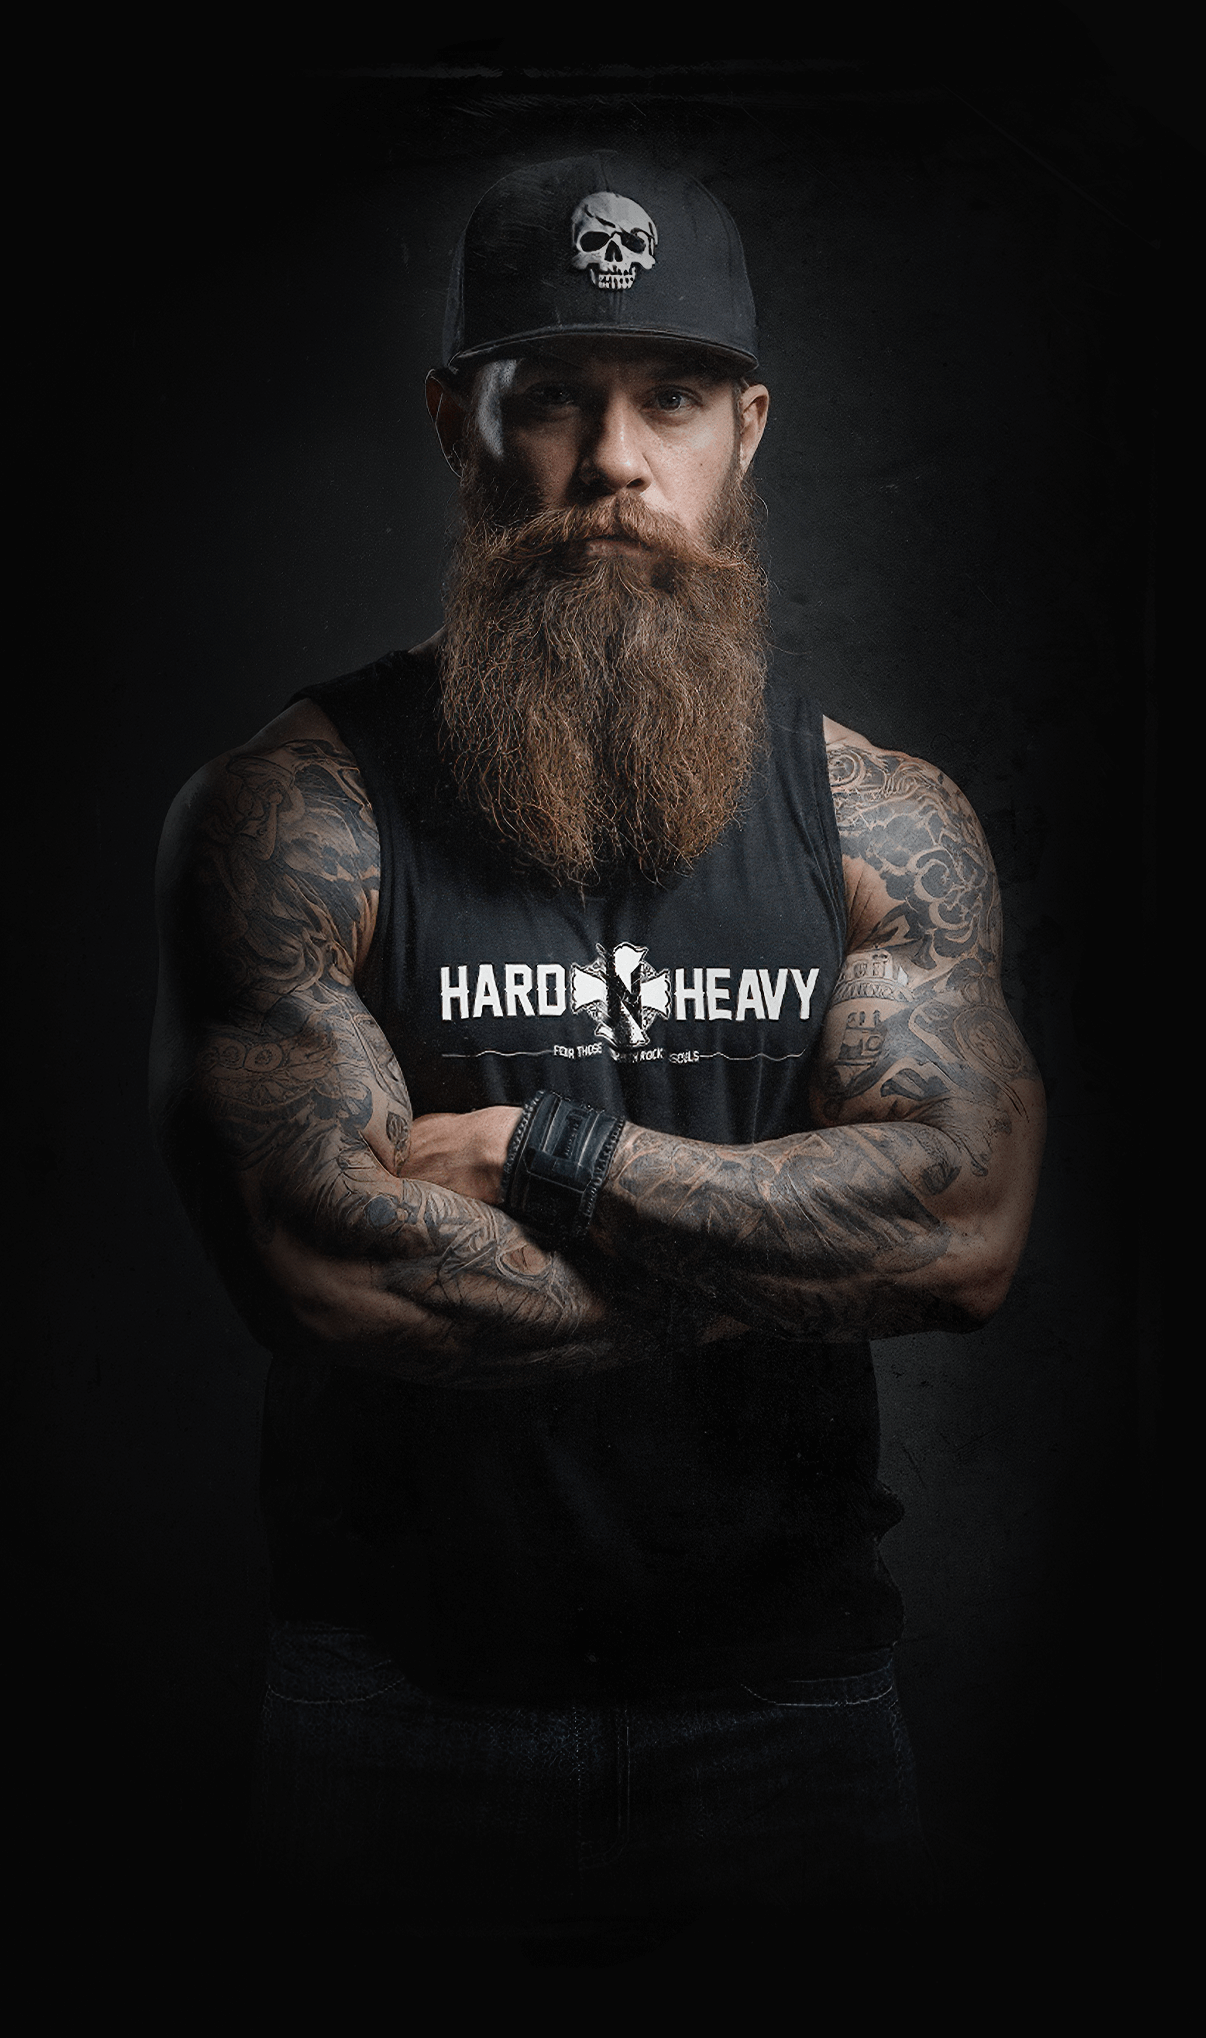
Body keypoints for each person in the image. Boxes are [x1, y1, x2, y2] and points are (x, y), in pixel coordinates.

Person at [151, 153, 1044, 1957]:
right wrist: (795, 1249)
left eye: (673, 396)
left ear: (750, 429)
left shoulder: (882, 823)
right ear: (456, 422)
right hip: (395, 1712)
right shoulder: (293, 812)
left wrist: (547, 1159)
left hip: (785, 1707)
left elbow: (956, 1233)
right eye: (550, 395)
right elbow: (323, 1260)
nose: (613, 461)